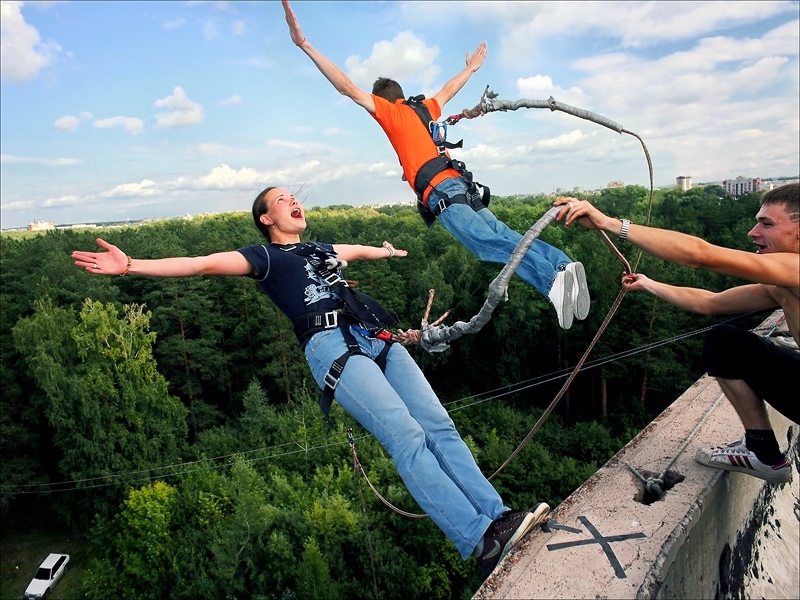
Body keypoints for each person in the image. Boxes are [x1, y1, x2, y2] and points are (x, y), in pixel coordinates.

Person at [71, 186, 550, 577]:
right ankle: (479, 540)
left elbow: (353, 251)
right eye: (281, 200)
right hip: (332, 348)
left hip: (375, 336)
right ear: (265, 218)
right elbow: (201, 263)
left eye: (294, 197)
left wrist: (382, 251)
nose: (293, 201)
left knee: (438, 425)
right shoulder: (264, 257)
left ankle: (500, 517)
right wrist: (131, 266)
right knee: (407, 436)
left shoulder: (319, 249)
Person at [281, 0, 589, 330]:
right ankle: (563, 266)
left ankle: (551, 283)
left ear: (383, 100)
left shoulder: (390, 112)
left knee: (487, 245)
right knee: (505, 234)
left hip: (442, 192)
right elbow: (448, 90)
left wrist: (304, 44)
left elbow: (345, 86)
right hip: (462, 185)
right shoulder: (424, 109)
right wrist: (471, 68)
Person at [555, 183, 799, 484]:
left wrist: (609, 223)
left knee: (727, 342)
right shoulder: (782, 284)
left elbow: (701, 254)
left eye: (767, 224)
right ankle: (763, 453)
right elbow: (710, 303)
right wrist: (649, 284)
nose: (753, 232)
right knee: (725, 342)